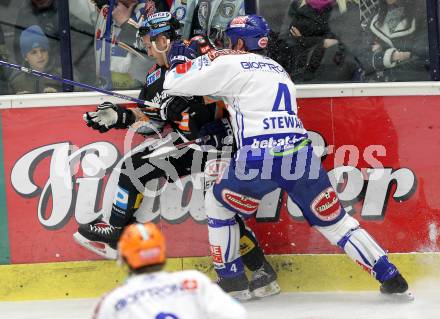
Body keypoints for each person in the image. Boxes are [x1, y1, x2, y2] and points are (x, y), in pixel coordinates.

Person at [163, 14, 414, 300]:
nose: (228, 43)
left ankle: (232, 281)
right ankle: (391, 276)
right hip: (300, 155)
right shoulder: (277, 69)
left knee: (217, 203)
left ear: (240, 41)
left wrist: (180, 57)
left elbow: (173, 84)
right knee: (336, 222)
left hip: (259, 158)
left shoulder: (230, 61)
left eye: (231, 39)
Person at [75, 12, 280, 300]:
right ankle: (117, 229)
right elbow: (151, 121)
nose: (144, 48)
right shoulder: (153, 77)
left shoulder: (196, 48)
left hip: (224, 142)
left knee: (221, 209)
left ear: (162, 39)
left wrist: (188, 103)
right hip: (197, 146)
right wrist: (118, 116)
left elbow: (227, 91)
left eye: (147, 41)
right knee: (136, 167)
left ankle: (258, 272)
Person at [92, 222, 247, 319]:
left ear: (124, 259)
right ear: (164, 253)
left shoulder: (113, 300)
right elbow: (237, 315)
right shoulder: (194, 281)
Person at [361, 0, 430, 82]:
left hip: (413, 84)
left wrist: (381, 56)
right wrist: (393, 56)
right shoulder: (377, 13)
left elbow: (423, 55)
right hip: (378, 85)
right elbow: (363, 56)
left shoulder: (424, 13)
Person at [9, 25, 62, 94]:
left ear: (48, 51)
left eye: (43, 50)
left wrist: (58, 96)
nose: (40, 56)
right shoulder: (16, 81)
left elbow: (78, 97)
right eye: (33, 52)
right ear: (25, 57)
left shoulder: (63, 76)